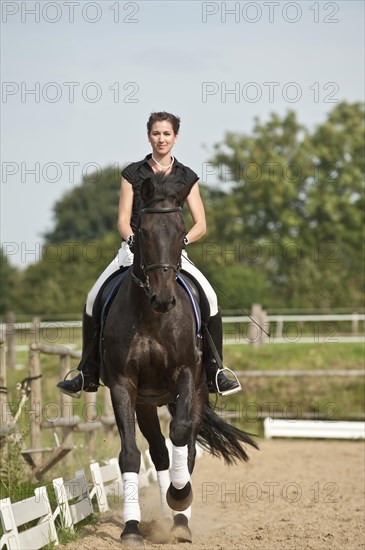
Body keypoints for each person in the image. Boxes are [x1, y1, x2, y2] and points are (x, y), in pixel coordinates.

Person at [57, 112, 241, 397]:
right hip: (134, 251)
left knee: (211, 297)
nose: (162, 139)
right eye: (156, 133)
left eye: (167, 134)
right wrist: (131, 240)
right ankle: (87, 370)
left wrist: (182, 241)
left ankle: (216, 371)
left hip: (172, 253)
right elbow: (121, 219)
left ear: (175, 137)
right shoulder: (133, 173)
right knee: (93, 297)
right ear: (149, 136)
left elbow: (201, 223)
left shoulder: (186, 176)